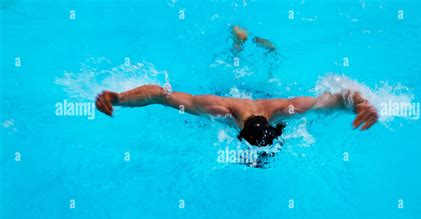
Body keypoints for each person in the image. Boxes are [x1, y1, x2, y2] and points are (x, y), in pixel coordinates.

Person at [95, 26, 378, 147]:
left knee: (254, 73)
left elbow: (159, 95)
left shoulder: (285, 110)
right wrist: (117, 98)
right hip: (248, 94)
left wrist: (119, 98)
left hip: (251, 95)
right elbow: (339, 99)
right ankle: (249, 45)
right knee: (245, 75)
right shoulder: (217, 108)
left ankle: (248, 44)